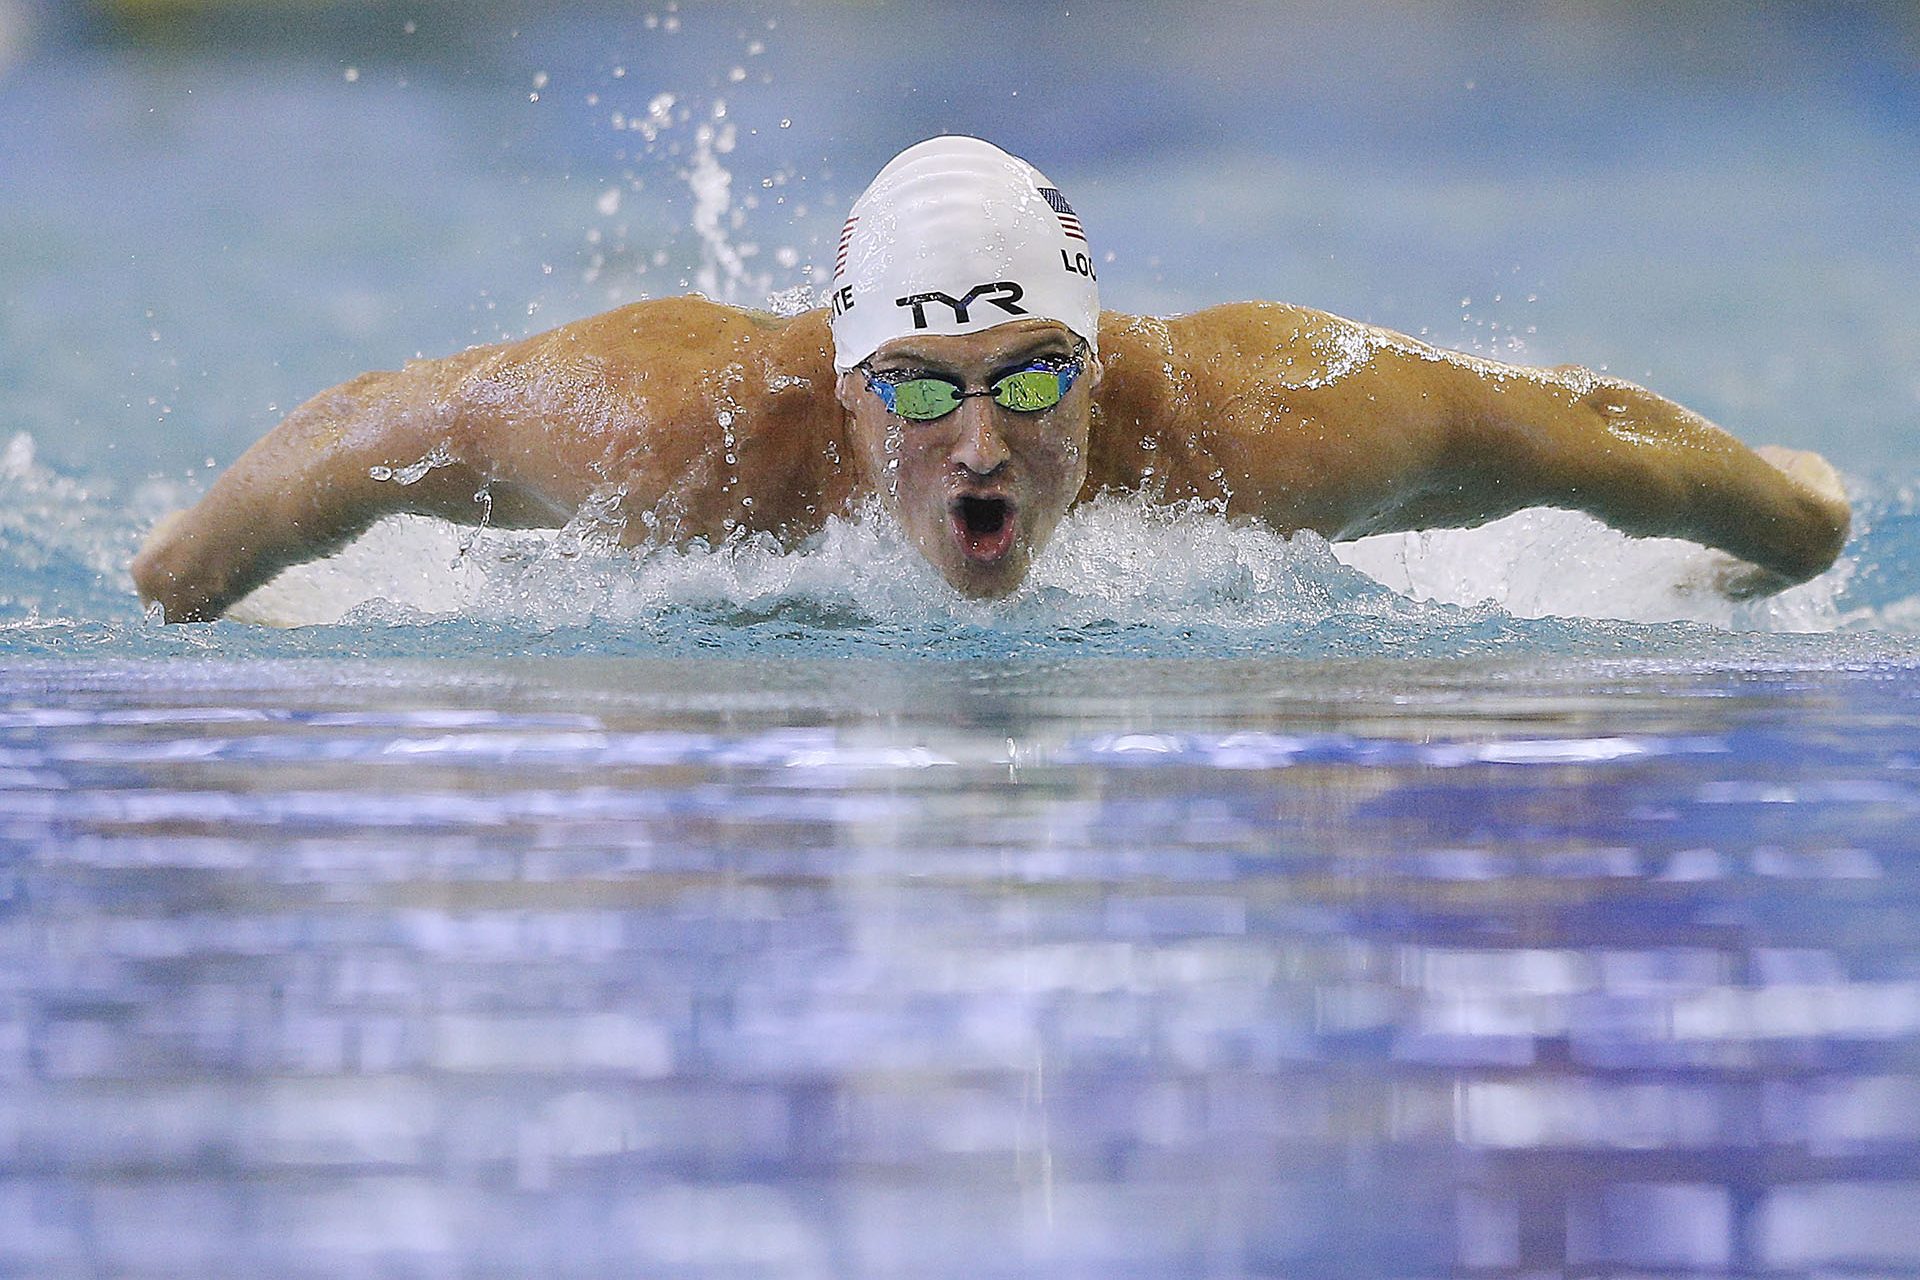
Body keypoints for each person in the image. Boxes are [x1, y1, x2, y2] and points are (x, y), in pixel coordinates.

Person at [132, 136, 1850, 622]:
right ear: (846, 376)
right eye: (922, 388)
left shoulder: (1264, 427)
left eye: (1034, 384)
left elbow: (1577, 429)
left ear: (1100, 378)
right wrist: (175, 601)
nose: (979, 441)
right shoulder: (676, 434)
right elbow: (344, 441)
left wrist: (1794, 530)